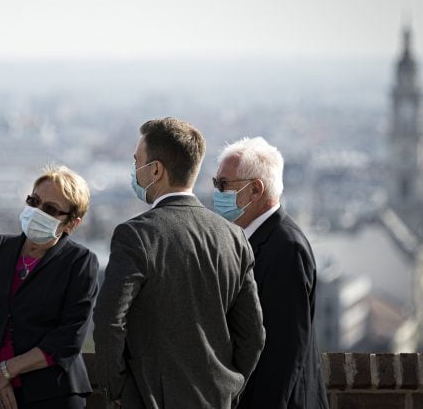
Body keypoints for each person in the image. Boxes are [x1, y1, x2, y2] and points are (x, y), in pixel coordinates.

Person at [93, 117, 265, 409]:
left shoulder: (136, 235)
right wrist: (229, 386)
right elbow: (253, 336)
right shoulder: (234, 237)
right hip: (216, 399)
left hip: (150, 398)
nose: (134, 171)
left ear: (156, 170)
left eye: (137, 162)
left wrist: (118, 389)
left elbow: (109, 320)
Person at [0, 164, 99, 409]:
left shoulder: (79, 262)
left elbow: (69, 336)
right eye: (34, 201)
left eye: (50, 209)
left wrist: (5, 371)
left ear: (71, 223)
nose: (37, 211)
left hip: (53, 395)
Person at [213, 137, 329, 409]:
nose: (217, 192)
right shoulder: (257, 239)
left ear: (255, 189)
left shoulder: (286, 248)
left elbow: (283, 351)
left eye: (223, 184)